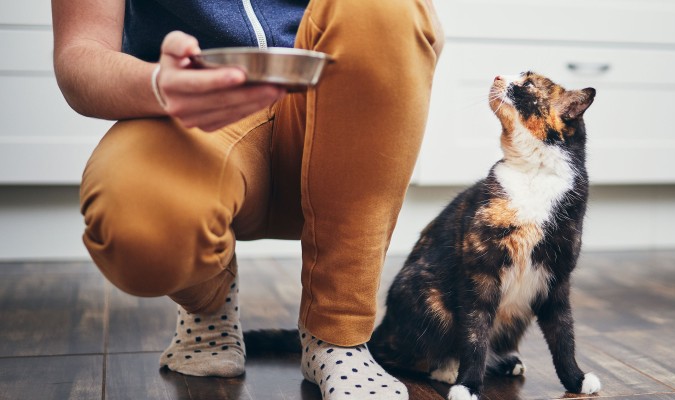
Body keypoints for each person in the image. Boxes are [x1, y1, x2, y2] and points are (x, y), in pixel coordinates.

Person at [52, 0, 443, 398]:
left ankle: (337, 334)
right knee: (138, 224)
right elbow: (80, 53)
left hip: (331, 107)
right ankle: (208, 307)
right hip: (191, 117)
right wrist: (159, 84)